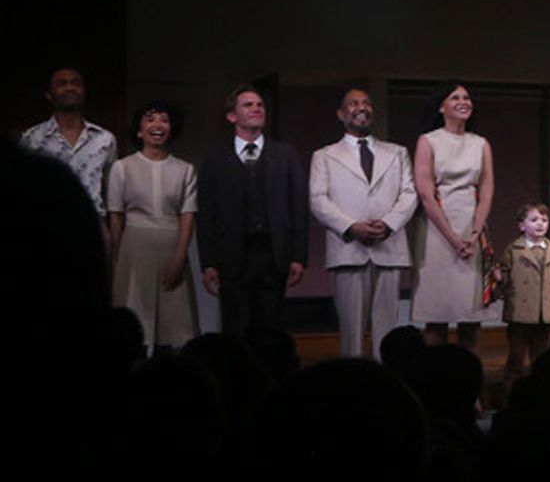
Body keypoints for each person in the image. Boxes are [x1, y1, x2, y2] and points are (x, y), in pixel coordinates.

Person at [308, 87, 418, 359]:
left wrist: (389, 224)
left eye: (367, 103)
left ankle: (387, 378)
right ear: (341, 113)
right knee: (351, 332)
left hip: (388, 247)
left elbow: (409, 194)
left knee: (387, 331)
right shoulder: (325, 155)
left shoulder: (397, 152)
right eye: (354, 103)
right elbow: (318, 199)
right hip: (348, 249)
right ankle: (353, 380)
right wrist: (351, 227)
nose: (362, 107)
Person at [197, 84, 309, 339]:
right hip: (232, 257)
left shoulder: (285, 155)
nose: (256, 109)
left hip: (273, 255)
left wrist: (298, 256)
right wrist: (209, 262)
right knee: (235, 330)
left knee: (270, 330)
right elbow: (206, 214)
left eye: (260, 105)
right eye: (248, 105)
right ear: (232, 116)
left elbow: (298, 208)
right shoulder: (215, 159)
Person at [107, 103, 198, 354]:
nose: (157, 125)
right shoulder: (122, 167)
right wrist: (118, 258)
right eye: (150, 119)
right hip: (134, 247)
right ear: (139, 130)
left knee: (171, 327)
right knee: (135, 323)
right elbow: (116, 216)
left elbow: (187, 216)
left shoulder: (185, 170)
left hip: (171, 246)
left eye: (164, 120)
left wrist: (180, 255)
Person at [411, 81, 495, 348]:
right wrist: (453, 239)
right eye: (455, 97)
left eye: (466, 97)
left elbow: (487, 189)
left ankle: (468, 371)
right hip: (437, 229)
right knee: (436, 314)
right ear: (441, 107)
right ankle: (434, 371)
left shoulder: (480, 143)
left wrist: (475, 233)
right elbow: (425, 193)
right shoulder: (428, 141)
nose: (463, 102)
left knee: (470, 315)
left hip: (472, 226)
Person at [20, 67, 117, 237]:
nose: (70, 88)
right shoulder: (32, 138)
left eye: (76, 83)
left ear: (84, 92)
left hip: (92, 230)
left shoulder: (105, 140)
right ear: (49, 94)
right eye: (62, 84)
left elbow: (111, 194)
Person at [499, 202, 550, 392]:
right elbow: (504, 279)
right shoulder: (513, 250)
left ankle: (541, 397)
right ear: (522, 225)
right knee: (516, 361)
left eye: (544, 220)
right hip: (520, 316)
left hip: (544, 316)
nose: (540, 224)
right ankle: (509, 398)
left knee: (542, 362)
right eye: (534, 220)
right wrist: (499, 277)